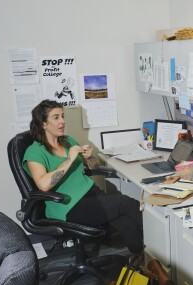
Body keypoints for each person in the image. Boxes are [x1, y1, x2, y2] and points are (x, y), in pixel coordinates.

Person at [23, 99, 144, 255]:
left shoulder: (68, 142)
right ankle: (159, 259)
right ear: (43, 124)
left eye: (62, 116)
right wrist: (69, 159)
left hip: (91, 194)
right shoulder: (34, 152)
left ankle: (144, 262)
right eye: (56, 117)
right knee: (127, 203)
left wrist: (90, 157)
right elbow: (44, 185)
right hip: (68, 205)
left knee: (128, 224)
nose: (62, 121)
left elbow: (93, 167)